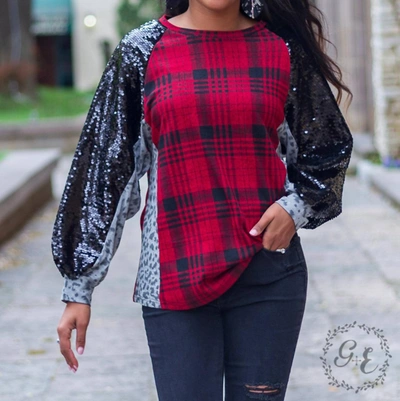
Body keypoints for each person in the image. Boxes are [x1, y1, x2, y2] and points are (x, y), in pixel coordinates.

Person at [53, 0, 353, 399]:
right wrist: (79, 286)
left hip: (268, 276)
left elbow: (326, 147)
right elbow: (105, 171)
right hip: (173, 277)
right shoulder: (142, 51)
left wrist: (293, 209)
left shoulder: (281, 49)